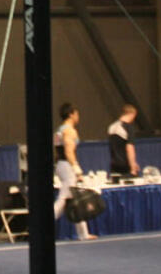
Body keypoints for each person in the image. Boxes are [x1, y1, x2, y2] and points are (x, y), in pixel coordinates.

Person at [51, 103, 95, 241]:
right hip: (67, 165)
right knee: (63, 200)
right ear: (71, 114)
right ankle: (39, 226)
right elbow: (69, 151)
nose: (78, 116)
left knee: (74, 199)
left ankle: (83, 233)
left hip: (60, 164)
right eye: (77, 113)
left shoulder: (59, 130)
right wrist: (76, 168)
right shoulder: (69, 130)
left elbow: (56, 151)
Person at [106, 104, 139, 178]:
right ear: (131, 114)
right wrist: (133, 167)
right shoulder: (128, 127)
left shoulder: (111, 127)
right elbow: (129, 148)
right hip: (125, 167)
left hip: (114, 166)